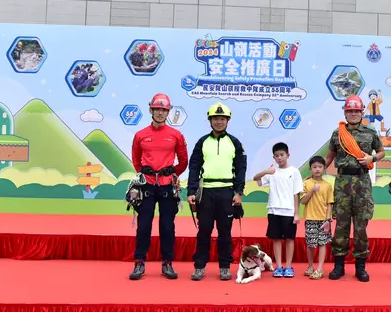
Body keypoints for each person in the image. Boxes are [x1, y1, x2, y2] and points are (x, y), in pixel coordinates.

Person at [325, 94, 385, 282]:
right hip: (342, 181)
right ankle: (339, 266)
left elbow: (382, 152)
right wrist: (316, 173)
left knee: (361, 227)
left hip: (362, 182)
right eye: (349, 111)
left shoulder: (370, 132)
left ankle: (360, 268)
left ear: (362, 112)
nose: (352, 114)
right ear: (344, 111)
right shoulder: (337, 133)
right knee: (341, 225)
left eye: (356, 111)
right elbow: (329, 157)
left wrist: (372, 159)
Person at [129, 93, 189, 280]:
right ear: (151, 110)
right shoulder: (140, 135)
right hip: (146, 185)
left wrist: (171, 174)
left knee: (167, 226)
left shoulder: (176, 135)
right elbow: (136, 160)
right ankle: (139, 263)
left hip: (166, 187)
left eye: (164, 110)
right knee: (144, 225)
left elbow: (183, 161)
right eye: (157, 109)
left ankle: (167, 264)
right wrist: (146, 174)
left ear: (168, 111)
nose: (161, 113)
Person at [187, 103, 247, 281]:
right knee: (204, 231)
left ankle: (224, 267)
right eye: (215, 119)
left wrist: (239, 192)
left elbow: (241, 168)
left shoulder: (234, 142)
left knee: (225, 232)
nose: (219, 122)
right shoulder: (202, 142)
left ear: (228, 120)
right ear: (210, 120)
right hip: (206, 193)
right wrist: (191, 191)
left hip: (227, 193)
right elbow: (194, 167)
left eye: (222, 119)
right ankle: (199, 267)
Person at [253, 142, 304, 278]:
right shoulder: (272, 172)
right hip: (274, 210)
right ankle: (279, 266)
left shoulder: (294, 172)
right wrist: (266, 171)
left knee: (289, 239)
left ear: (287, 155)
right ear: (274, 158)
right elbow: (256, 179)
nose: (279, 158)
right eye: (276, 156)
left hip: (289, 211)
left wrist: (297, 213)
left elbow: (296, 193)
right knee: (276, 239)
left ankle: (288, 266)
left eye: (282, 155)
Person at [300, 156, 334, 280]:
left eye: (320, 167)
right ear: (310, 169)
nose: (317, 169)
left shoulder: (328, 185)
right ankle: (310, 267)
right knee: (310, 244)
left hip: (323, 220)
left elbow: (330, 204)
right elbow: (303, 201)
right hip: (310, 218)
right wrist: (311, 191)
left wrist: (328, 220)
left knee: (322, 244)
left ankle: (320, 269)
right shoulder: (306, 183)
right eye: (314, 167)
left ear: (324, 169)